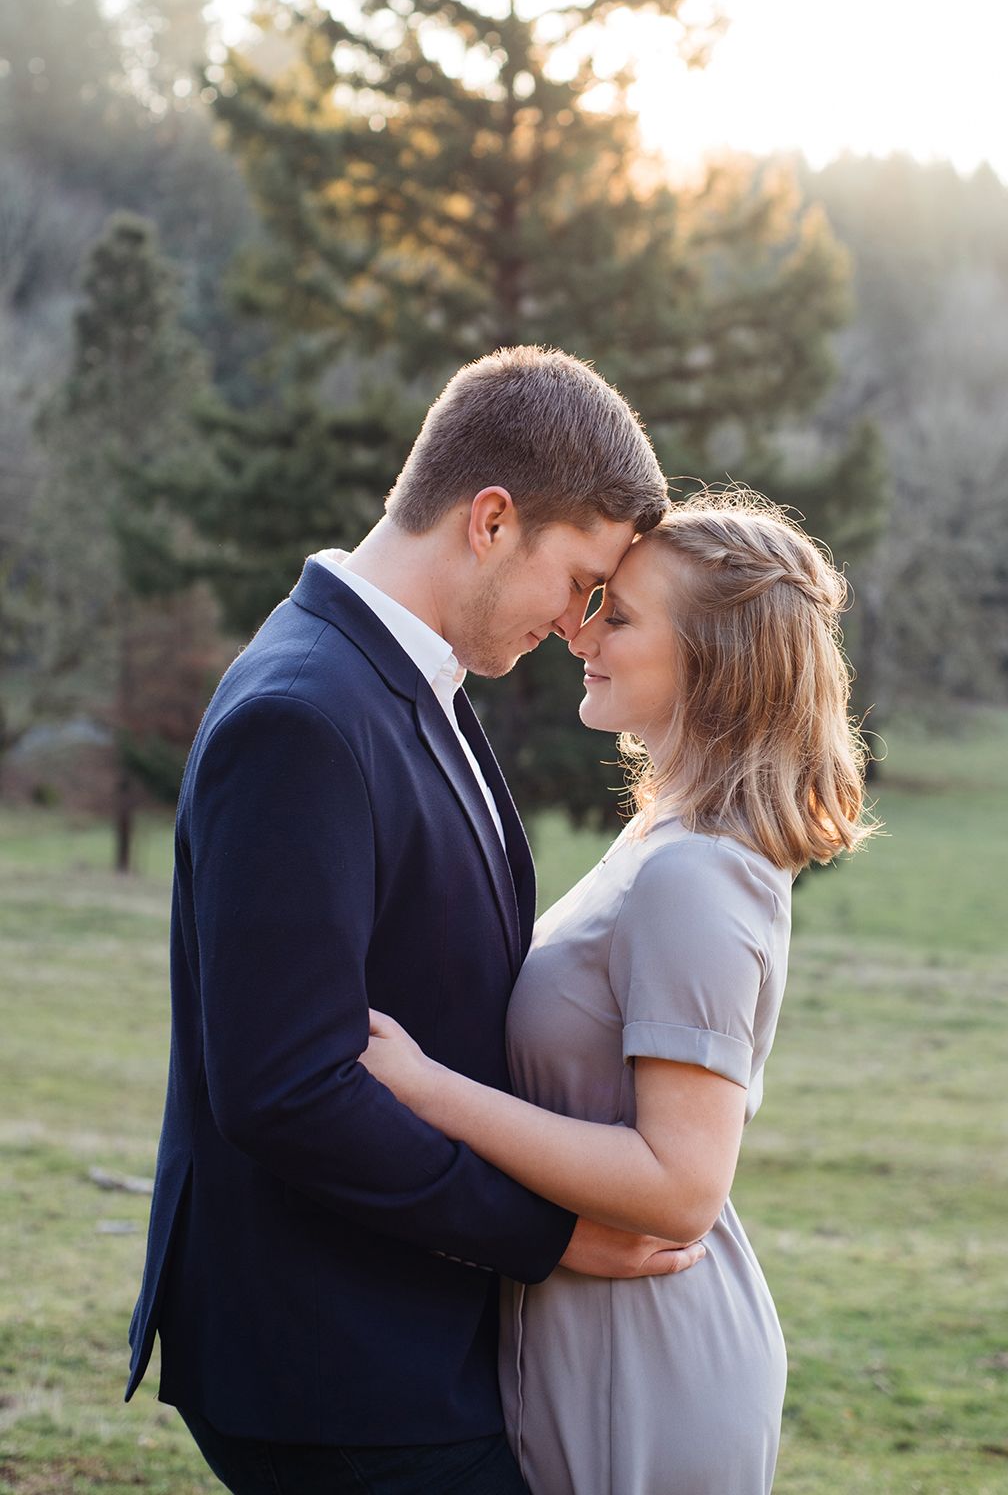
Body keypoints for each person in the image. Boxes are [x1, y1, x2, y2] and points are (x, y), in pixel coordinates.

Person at [127, 346, 699, 1495]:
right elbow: (291, 1085)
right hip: (325, 1353)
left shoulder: (405, 681)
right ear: (491, 520)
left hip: (404, 1328)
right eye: (579, 576)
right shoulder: (303, 714)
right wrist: (549, 1235)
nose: (576, 619)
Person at [358, 489, 873, 1495]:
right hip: (579, 1334)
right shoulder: (657, 840)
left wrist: (425, 1089)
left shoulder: (697, 872)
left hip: (646, 1358)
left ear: (714, 662)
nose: (579, 631)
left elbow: (682, 1188)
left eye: (620, 615)